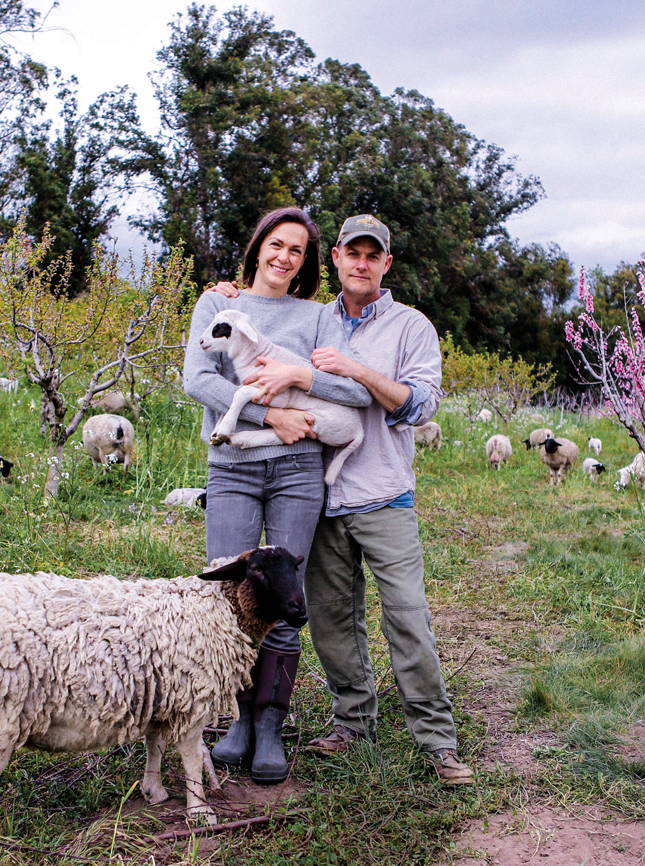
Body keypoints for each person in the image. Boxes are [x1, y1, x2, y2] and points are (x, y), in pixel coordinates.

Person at [208, 214, 473, 785]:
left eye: (372, 256)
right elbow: (257, 323)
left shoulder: (411, 327)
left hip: (382, 492)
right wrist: (224, 295)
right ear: (334, 260)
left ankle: (437, 740)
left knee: (406, 616)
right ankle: (353, 722)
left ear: (385, 265)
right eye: (351, 253)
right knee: (330, 619)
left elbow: (419, 407)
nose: (361, 263)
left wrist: (352, 369)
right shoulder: (314, 317)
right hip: (321, 493)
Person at [181, 207, 372, 785]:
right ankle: (235, 721)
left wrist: (296, 383)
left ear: (305, 265)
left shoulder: (316, 318)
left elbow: (348, 386)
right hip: (233, 468)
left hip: (297, 473)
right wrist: (274, 414)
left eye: (297, 251)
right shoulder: (217, 306)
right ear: (258, 246)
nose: (284, 256)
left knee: (285, 600)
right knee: (231, 598)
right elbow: (198, 380)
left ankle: (270, 725)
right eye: (277, 244)